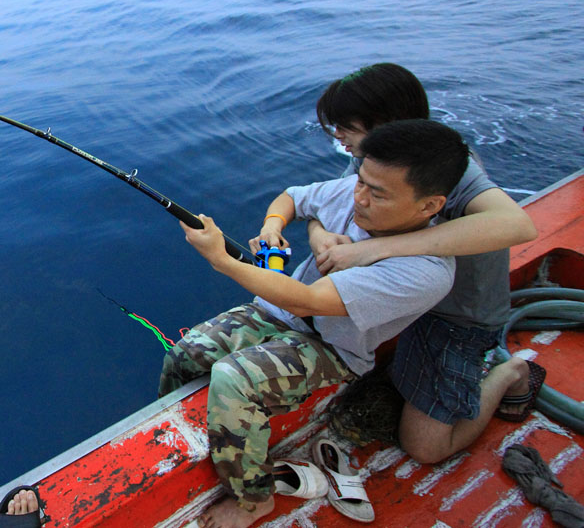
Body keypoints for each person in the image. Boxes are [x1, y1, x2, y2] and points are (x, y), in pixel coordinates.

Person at [160, 119, 470, 528]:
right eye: (360, 181)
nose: (359, 197)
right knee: (187, 352)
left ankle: (255, 500)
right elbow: (292, 198)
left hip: (333, 348)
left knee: (234, 378)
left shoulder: (426, 272)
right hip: (279, 311)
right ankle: (189, 442)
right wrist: (272, 225)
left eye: (377, 193)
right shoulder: (357, 191)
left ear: (430, 205)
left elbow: (308, 300)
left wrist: (221, 259)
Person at [310, 63, 540, 464]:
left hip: (456, 315)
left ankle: (510, 372)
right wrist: (320, 235)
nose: (338, 137)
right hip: (405, 299)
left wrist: (378, 249)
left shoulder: (452, 167)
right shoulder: (374, 159)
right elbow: (317, 203)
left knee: (425, 448)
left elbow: (516, 224)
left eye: (346, 127)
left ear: (387, 123)